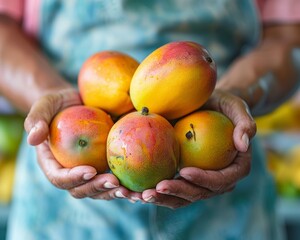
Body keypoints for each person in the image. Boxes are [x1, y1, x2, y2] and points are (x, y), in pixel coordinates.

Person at [0, 0, 299, 239]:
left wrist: (237, 94)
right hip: (64, 215)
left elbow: (289, 38)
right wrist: (48, 97)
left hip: (226, 208)